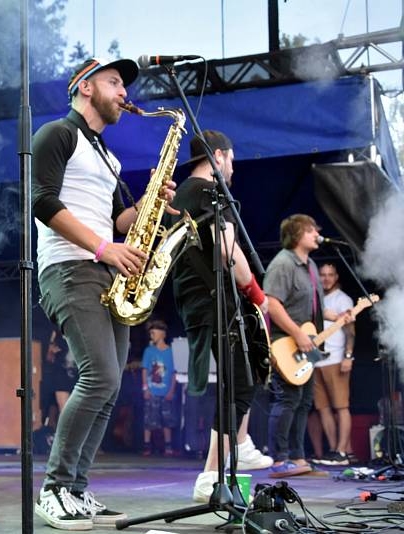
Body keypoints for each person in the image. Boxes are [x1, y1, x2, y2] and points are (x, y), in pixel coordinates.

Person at [31, 57, 175, 530]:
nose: (123, 93)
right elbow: (42, 201)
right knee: (98, 375)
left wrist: (151, 201)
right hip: (71, 267)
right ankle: (53, 489)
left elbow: (116, 222)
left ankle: (76, 487)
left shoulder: (108, 157)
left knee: (111, 383)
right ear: (85, 88)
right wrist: (102, 248)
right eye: (114, 82)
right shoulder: (58, 134)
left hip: (105, 270)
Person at [165, 130, 272, 503]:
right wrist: (257, 295)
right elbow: (228, 250)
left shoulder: (185, 193)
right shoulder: (206, 191)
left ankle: (239, 445)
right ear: (221, 155)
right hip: (214, 299)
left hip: (199, 300)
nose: (232, 167)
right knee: (239, 384)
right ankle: (211, 474)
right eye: (231, 159)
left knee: (238, 380)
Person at [264, 215, 352, 478]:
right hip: (286, 342)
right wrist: (297, 334)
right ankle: (279, 459)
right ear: (297, 234)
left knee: (303, 402)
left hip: (306, 342)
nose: (317, 233)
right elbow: (272, 303)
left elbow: (314, 307)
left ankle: (297, 457)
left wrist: (338, 317)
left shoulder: (311, 265)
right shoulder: (282, 263)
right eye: (311, 230)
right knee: (288, 399)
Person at [307, 262, 355, 466]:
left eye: (330, 275)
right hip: (316, 360)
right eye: (323, 274)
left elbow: (350, 330)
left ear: (336, 277)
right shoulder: (316, 297)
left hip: (336, 359)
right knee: (323, 408)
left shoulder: (343, 299)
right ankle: (334, 450)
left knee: (341, 407)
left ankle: (343, 451)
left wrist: (348, 356)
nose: (326, 278)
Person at [141, 319, 178, 456]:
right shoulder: (149, 351)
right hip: (152, 391)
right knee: (149, 419)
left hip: (166, 391)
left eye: (154, 333)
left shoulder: (171, 352)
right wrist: (146, 388)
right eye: (150, 333)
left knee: (167, 420)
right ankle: (147, 446)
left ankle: (168, 446)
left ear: (162, 334)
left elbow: (174, 373)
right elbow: (145, 370)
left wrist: (171, 390)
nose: (152, 336)